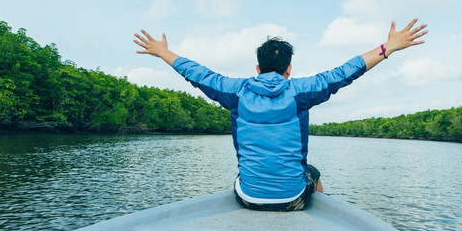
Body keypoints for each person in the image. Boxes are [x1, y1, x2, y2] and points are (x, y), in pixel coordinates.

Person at [134, 19, 427, 211]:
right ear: (289, 69)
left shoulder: (234, 92)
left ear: (257, 69)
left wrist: (162, 52)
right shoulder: (301, 91)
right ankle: (317, 220)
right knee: (312, 172)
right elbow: (345, 72)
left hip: (248, 199)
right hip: (291, 198)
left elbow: (197, 73)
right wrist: (388, 47)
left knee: (246, 172)